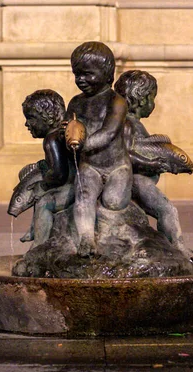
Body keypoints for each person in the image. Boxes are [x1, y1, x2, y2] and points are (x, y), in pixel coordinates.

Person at [114, 70, 193, 263]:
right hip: (135, 180)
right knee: (166, 209)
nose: (153, 104)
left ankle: (169, 246)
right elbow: (125, 154)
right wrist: (152, 163)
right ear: (141, 100)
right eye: (152, 98)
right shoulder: (128, 125)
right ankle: (177, 247)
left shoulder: (129, 124)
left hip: (137, 179)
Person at [66, 41, 132, 257]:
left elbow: (110, 131)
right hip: (90, 166)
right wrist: (65, 133)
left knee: (114, 202)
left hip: (117, 166)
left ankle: (114, 239)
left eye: (88, 74)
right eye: (77, 75)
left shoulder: (117, 101)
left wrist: (84, 144)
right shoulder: (75, 103)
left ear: (107, 74)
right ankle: (86, 239)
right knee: (84, 196)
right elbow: (69, 127)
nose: (81, 80)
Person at [21, 89, 75, 248]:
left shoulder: (52, 140)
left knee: (44, 202)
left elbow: (59, 173)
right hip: (78, 185)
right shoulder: (62, 133)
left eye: (31, 118)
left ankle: (38, 244)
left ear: (48, 117)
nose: (26, 124)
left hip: (71, 189)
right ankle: (33, 229)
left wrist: (43, 184)